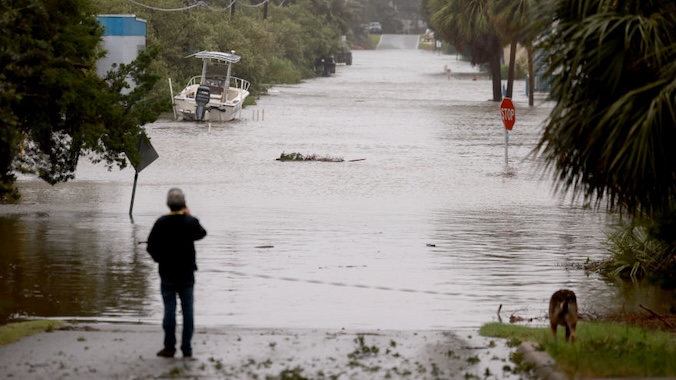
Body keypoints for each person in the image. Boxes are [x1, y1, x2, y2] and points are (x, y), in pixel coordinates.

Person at [147, 188, 207, 358]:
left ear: (168, 204)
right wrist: (189, 215)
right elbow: (201, 233)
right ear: (183, 203)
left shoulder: (161, 222)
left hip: (167, 272)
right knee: (188, 310)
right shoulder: (190, 222)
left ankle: (169, 347)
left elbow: (151, 246)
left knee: (169, 309)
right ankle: (186, 349)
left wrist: (160, 260)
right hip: (187, 271)